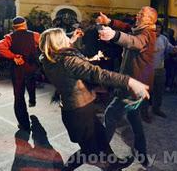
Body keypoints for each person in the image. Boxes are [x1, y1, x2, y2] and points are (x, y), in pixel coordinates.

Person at [39, 28, 149, 170]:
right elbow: (98, 74)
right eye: (64, 37)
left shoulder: (49, 59)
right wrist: (129, 81)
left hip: (75, 109)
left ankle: (113, 163)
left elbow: (62, 53)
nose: (67, 38)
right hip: (80, 112)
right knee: (89, 150)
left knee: (101, 139)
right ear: (59, 42)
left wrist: (71, 40)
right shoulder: (68, 60)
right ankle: (67, 169)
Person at [97, 6, 157, 167]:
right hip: (135, 87)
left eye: (141, 14)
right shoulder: (139, 29)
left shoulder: (147, 34)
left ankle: (101, 154)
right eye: (138, 12)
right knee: (134, 120)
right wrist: (109, 22)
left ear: (150, 20)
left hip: (133, 88)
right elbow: (127, 27)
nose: (137, 15)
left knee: (110, 114)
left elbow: (134, 42)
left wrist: (114, 35)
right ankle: (142, 154)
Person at [0, 17, 40, 131]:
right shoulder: (34, 35)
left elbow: (0, 46)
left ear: (14, 27)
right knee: (31, 83)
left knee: (19, 95)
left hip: (17, 68)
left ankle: (24, 124)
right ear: (25, 24)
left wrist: (14, 56)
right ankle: (32, 100)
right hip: (31, 66)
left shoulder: (10, 37)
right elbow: (44, 44)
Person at [152, 22, 177, 117]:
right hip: (147, 69)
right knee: (145, 92)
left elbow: (169, 48)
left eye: (159, 27)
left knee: (158, 91)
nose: (157, 29)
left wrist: (175, 49)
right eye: (155, 27)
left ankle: (156, 109)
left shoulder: (163, 38)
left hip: (159, 69)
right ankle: (144, 111)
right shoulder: (146, 38)